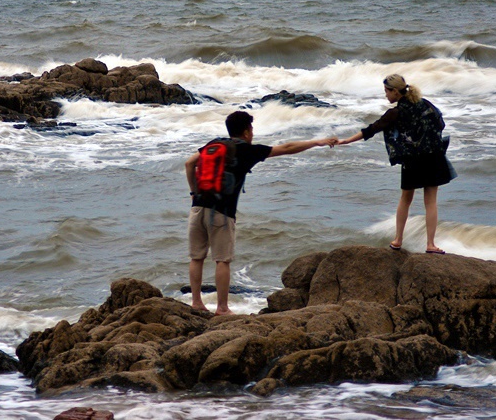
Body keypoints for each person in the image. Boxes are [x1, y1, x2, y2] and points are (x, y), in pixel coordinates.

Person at [185, 110, 337, 314]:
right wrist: (317, 142)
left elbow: (190, 163)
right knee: (222, 260)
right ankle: (222, 308)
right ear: (247, 131)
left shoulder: (214, 144)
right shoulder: (246, 150)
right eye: (252, 129)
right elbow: (287, 148)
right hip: (221, 211)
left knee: (197, 257)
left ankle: (196, 302)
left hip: (198, 206)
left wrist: (194, 191)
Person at [337, 74, 455, 254]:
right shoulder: (425, 104)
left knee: (406, 199)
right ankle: (430, 244)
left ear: (395, 92)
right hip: (434, 157)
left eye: (386, 91)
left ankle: (398, 240)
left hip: (413, 160)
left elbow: (372, 129)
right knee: (431, 202)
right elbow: (440, 123)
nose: (385, 95)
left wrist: (346, 141)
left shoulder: (395, 113)